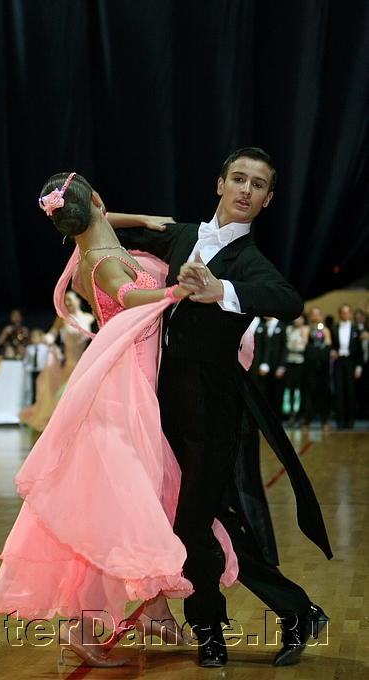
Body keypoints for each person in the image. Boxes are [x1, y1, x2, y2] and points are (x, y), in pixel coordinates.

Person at [0, 172, 238, 668]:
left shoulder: (89, 245)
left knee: (145, 497)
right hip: (124, 390)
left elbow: (101, 221)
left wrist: (140, 218)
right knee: (123, 508)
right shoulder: (100, 263)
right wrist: (173, 292)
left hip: (131, 383)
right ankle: (82, 627)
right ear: (97, 201)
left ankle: (155, 612)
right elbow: (127, 296)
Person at [115, 147, 332, 667]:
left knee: (192, 526)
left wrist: (223, 290)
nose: (245, 190)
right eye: (238, 179)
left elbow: (289, 301)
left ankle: (210, 630)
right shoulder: (183, 236)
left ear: (267, 200)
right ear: (220, 184)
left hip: (215, 411)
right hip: (167, 405)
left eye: (258, 185)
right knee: (209, 522)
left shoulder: (249, 261)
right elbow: (108, 229)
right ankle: (297, 612)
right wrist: (131, 216)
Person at [18, 292, 95, 432]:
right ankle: (66, 426)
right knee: (66, 395)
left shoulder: (89, 318)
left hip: (85, 363)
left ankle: (80, 425)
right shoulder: (63, 318)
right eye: (65, 300)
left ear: (78, 300)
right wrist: (46, 339)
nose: (68, 303)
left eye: (70, 300)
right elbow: (52, 334)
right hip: (70, 364)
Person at [299, 307, 332, 431]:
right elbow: (305, 344)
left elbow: (328, 344)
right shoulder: (306, 329)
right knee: (308, 392)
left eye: (318, 315)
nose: (316, 317)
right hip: (309, 367)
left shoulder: (325, 330)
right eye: (313, 315)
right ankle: (306, 420)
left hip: (322, 367)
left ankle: (324, 419)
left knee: (323, 392)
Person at [330, 304, 363, 429]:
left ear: (350, 314)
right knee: (339, 391)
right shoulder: (334, 328)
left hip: (351, 362)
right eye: (343, 312)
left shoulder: (355, 330)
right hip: (339, 362)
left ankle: (350, 420)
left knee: (350, 392)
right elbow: (331, 345)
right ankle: (340, 420)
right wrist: (332, 352)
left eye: (347, 312)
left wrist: (358, 367)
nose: (345, 314)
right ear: (339, 314)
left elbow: (359, 350)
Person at [284, 314, 307, 425]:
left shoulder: (305, 330)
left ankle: (302, 415)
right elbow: (287, 345)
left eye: (299, 318)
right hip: (290, 362)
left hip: (301, 363)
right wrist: (295, 345)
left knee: (301, 390)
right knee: (290, 390)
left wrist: (295, 346)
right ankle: (291, 414)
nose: (297, 320)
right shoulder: (289, 329)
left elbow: (303, 347)